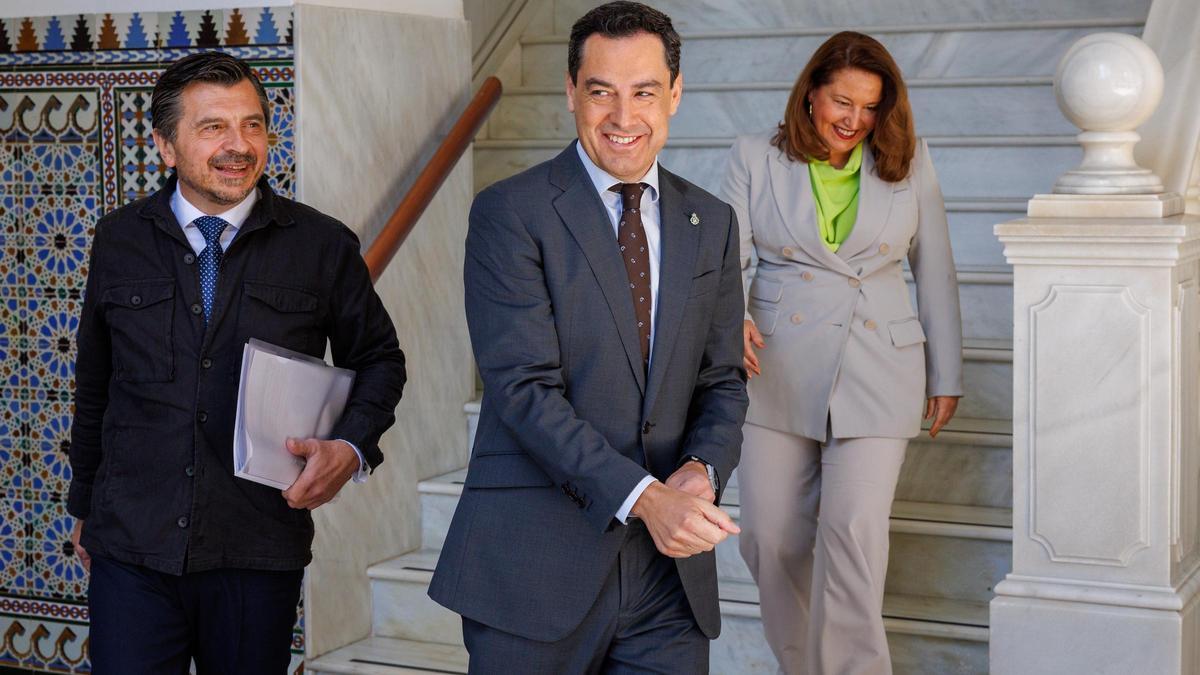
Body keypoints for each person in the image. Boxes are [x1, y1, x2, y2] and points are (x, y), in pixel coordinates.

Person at [428, 2, 748, 672]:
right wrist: (646, 497)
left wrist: (702, 468)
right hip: (534, 568)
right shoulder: (510, 213)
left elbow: (721, 378)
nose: (623, 118)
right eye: (601, 91)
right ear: (571, 91)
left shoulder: (710, 220)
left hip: (668, 587)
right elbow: (523, 390)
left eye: (645, 92)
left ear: (676, 94)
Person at [67, 52, 406, 673]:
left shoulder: (321, 244)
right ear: (166, 145)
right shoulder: (117, 239)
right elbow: (95, 384)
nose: (238, 145)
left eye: (252, 125)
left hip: (256, 548)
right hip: (131, 547)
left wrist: (351, 449)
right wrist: (84, 506)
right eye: (213, 127)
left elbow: (380, 359)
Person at [721, 31, 963, 674]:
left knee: (853, 537)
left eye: (870, 107)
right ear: (811, 95)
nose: (854, 120)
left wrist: (947, 372)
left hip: (879, 367)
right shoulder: (754, 157)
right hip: (775, 368)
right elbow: (725, 262)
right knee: (769, 542)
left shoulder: (909, 162)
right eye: (841, 102)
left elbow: (934, 268)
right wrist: (731, 318)